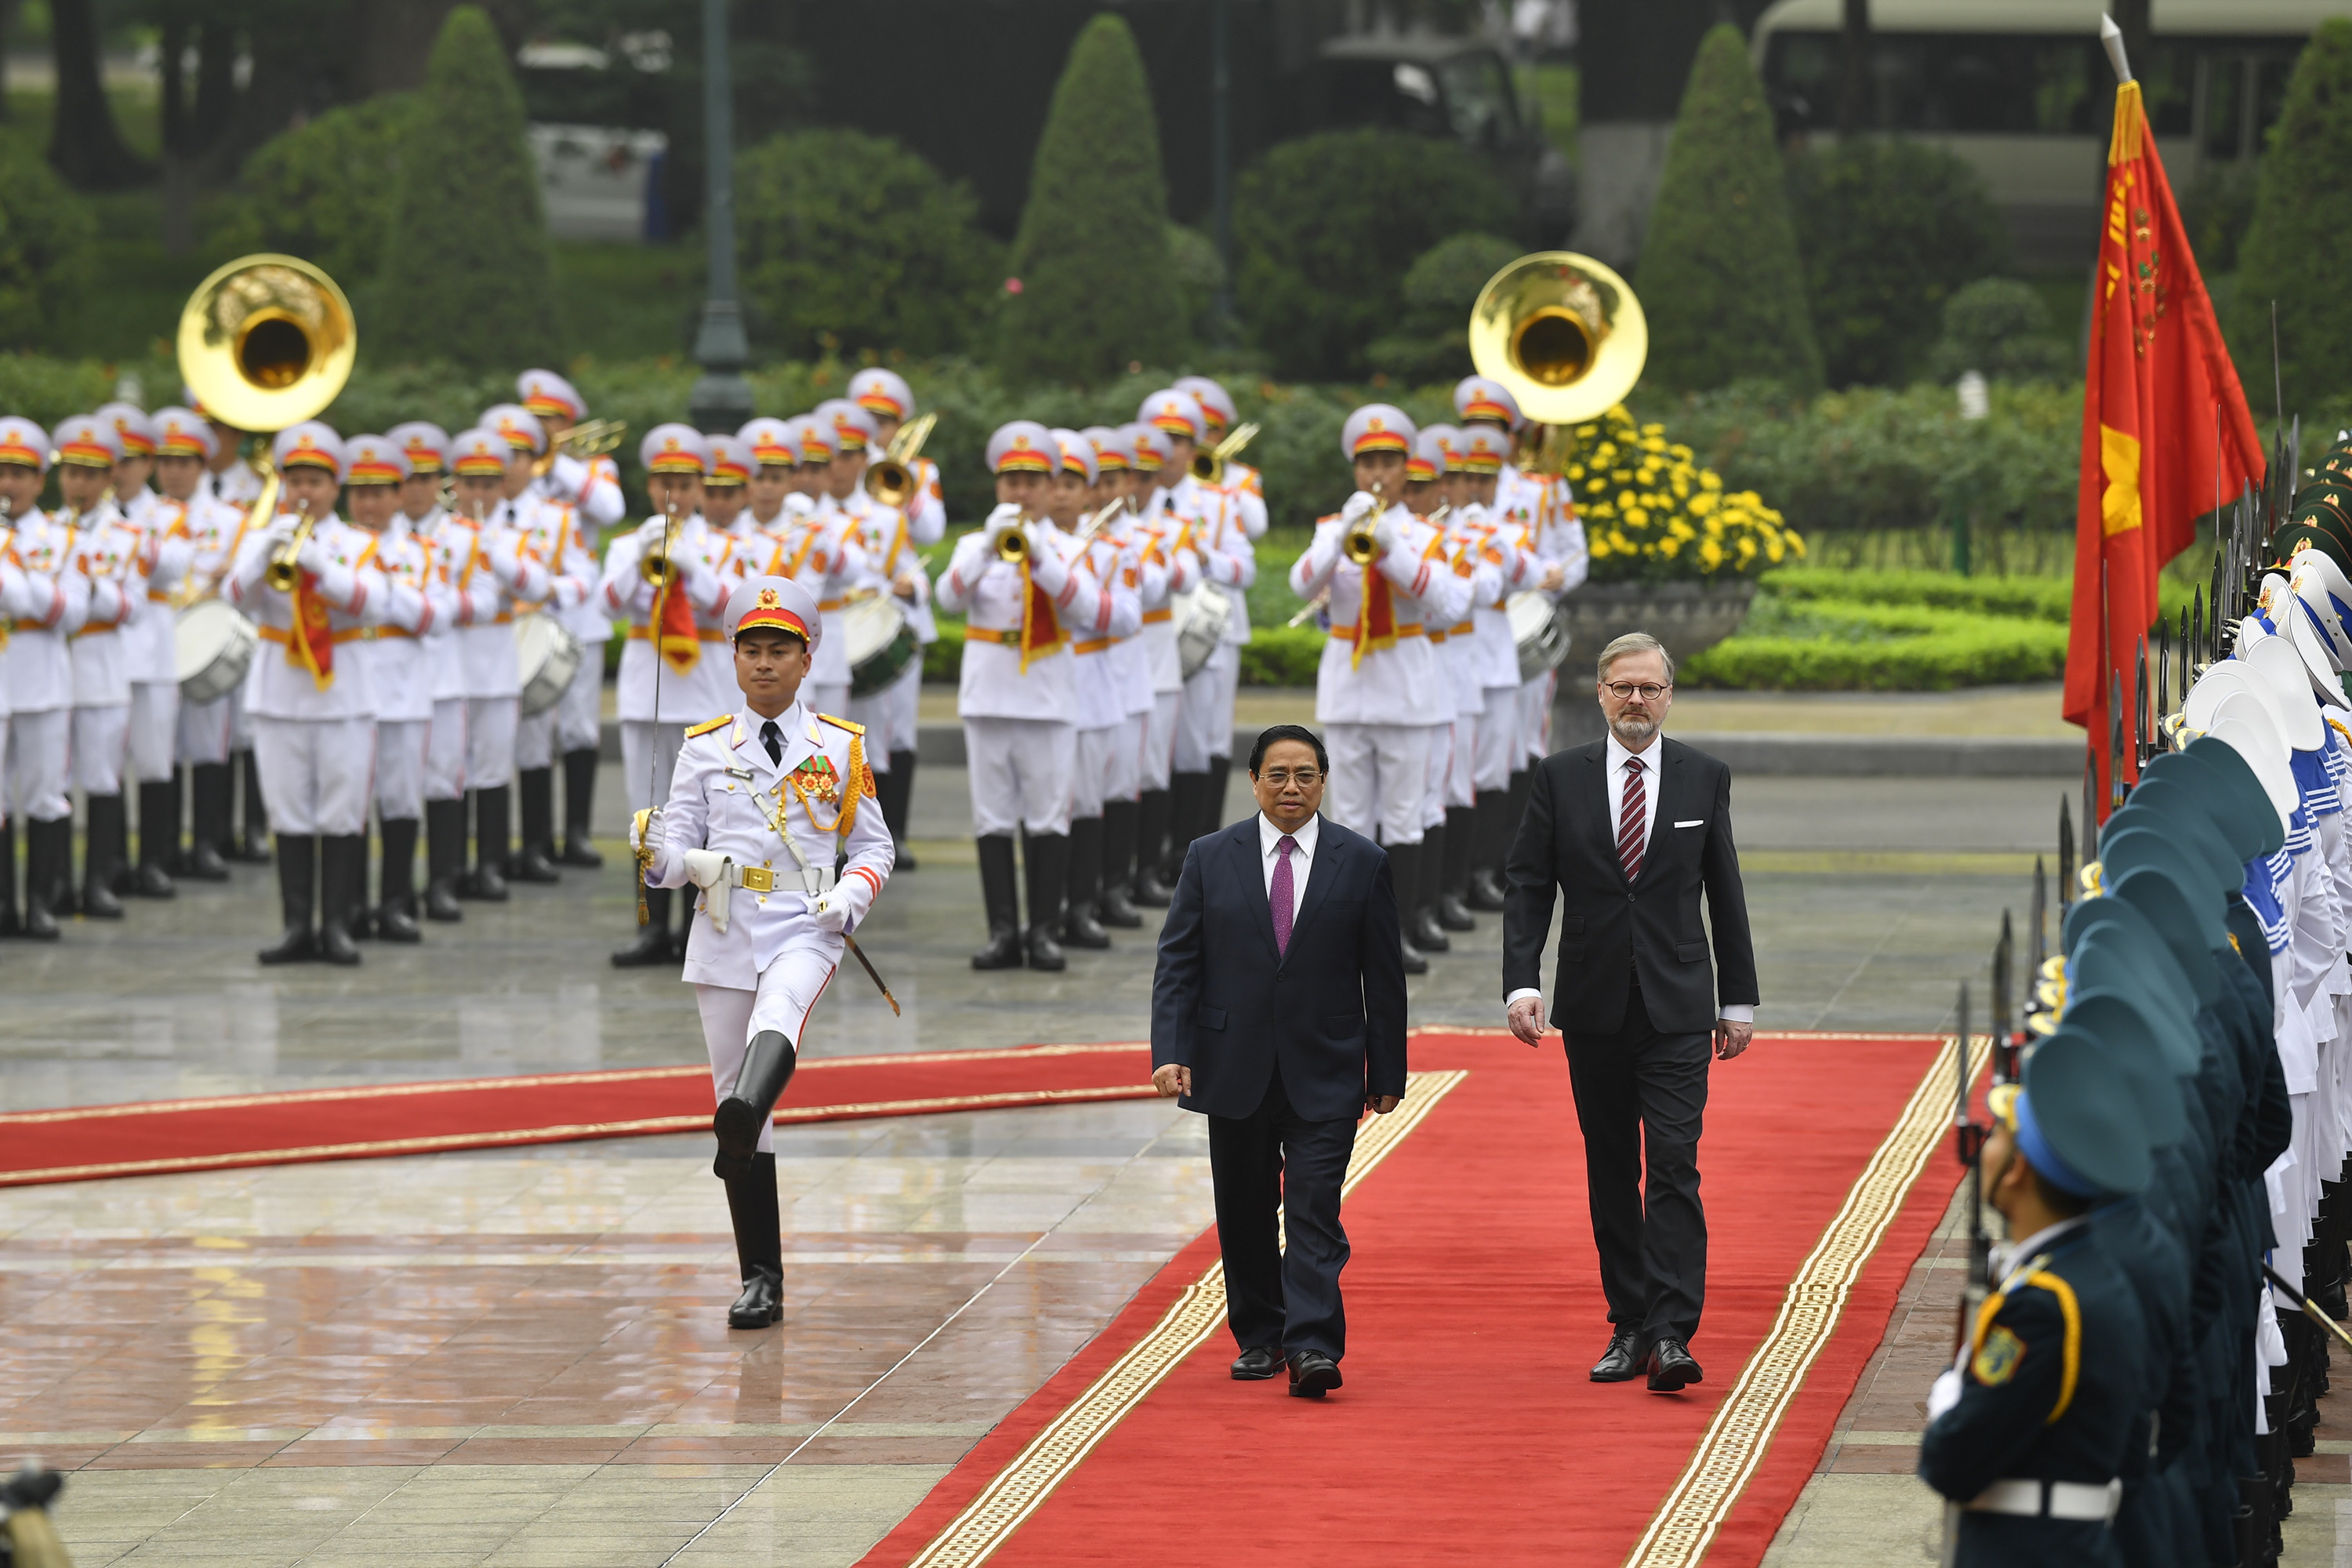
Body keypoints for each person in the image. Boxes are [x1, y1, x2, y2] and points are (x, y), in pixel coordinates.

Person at [633, 574, 894, 1330]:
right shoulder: (705, 748)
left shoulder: (840, 748)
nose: (765, 664)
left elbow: (876, 848)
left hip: (807, 922)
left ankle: (745, 1113)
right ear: (734, 657)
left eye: (780, 650)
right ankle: (761, 1277)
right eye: (752, 650)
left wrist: (852, 896)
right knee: (734, 1100)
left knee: (775, 1023)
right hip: (723, 923)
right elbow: (680, 847)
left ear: (806, 658)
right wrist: (655, 858)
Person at [1501, 630, 1757, 1392]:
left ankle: (1674, 1331)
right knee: (1611, 1166)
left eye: (1650, 687)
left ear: (1669, 695)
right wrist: (1522, 981)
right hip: (1594, 1003)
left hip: (1679, 1006)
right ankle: (1630, 1321)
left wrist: (1736, 1000)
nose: (1637, 700)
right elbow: (1528, 884)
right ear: (1602, 694)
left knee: (1673, 1163)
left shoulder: (1702, 776)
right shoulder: (1560, 777)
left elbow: (1726, 892)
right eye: (1623, 687)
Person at [1149, 723, 1406, 1398]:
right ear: (1255, 780)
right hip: (1231, 1064)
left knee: (1315, 1209)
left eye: (1305, 776)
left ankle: (1314, 1345)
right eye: (1278, 775)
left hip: (1325, 1066)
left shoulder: (1362, 861)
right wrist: (1171, 1051)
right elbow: (1178, 960)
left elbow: (1383, 980)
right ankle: (1261, 1336)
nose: (1291, 788)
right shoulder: (1210, 856)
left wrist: (1386, 1073)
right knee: (1245, 1209)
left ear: (1323, 782)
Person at [1919, 1025, 2151, 1566]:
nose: (1985, 1143)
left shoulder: (2041, 1308)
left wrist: (1949, 1396)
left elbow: (1952, 1460)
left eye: (1998, 1134)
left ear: (2019, 1169)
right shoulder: (2093, 1271)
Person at [1288, 404, 1472, 977]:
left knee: (1403, 819)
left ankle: (1396, 932)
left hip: (1407, 690)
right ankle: (1348, 936)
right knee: (1348, 819)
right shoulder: (1331, 529)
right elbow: (1301, 584)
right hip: (1347, 688)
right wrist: (1342, 534)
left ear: (1404, 469)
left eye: (1389, 463)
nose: (1378, 473)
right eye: (1368, 462)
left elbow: (1446, 601)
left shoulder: (1421, 534)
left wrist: (1389, 544)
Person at [933, 421, 1102, 973]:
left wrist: (1038, 557)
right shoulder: (972, 545)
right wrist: (989, 546)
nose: (1021, 491)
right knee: (992, 818)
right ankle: (1003, 932)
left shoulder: (1069, 548)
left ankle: (1044, 932)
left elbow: (1087, 609)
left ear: (1052, 484)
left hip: (1048, 697)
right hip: (988, 696)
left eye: (1032, 479)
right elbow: (948, 597)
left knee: (1049, 817)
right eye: (1011, 480)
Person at [223, 422, 387, 966]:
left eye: (315, 481)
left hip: (343, 692)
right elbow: (232, 598)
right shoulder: (261, 535)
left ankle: (337, 925)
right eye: (295, 479)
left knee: (342, 811)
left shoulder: (358, 543)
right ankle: (296, 925)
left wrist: (321, 567)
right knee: (288, 810)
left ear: (335, 488)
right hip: (278, 692)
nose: (304, 492)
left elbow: (373, 604)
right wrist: (262, 552)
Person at [602, 424, 742, 966]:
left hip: (705, 694)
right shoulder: (625, 544)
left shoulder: (727, 547)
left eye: (684, 483)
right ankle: (650, 926)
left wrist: (691, 567)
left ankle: (697, 929)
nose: (674, 494)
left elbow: (735, 608)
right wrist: (638, 561)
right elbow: (605, 606)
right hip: (648, 693)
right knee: (648, 813)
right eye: (664, 482)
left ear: (702, 487)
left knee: (705, 816)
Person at [339, 434, 440, 942]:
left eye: (380, 491)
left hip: (403, 690)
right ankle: (351, 905)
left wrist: (377, 593)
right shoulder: (333, 547)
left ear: (399, 494)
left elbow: (431, 616)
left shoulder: (419, 550)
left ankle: (395, 902)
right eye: (359, 492)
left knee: (400, 801)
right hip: (346, 691)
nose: (369, 503)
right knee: (350, 800)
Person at [0, 417, 89, 938]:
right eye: (2, 471)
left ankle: (41, 903)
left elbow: (74, 612)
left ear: (40, 480)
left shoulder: (62, 537)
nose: (8, 484)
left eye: (20, 472)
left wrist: (19, 588)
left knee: (44, 795)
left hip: (42, 677)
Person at [97, 402, 189, 903]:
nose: (121, 470)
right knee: (105, 761)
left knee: (155, 760)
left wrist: (132, 541)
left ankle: (154, 860)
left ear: (148, 464)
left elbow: (175, 565)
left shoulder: (167, 514)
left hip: (153, 651)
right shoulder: (89, 519)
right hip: (104, 652)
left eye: (130, 459)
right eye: (113, 460)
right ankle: (108, 864)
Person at [53, 414, 144, 918]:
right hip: (52, 667)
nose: (78, 484)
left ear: (110, 478)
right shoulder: (45, 529)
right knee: (55, 783)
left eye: (90, 474)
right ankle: (57, 885)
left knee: (103, 778)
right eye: (70, 473)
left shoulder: (126, 536)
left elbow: (133, 607)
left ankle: (100, 881)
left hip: (102, 667)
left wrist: (84, 582)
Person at [152, 405, 241, 882]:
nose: (173, 471)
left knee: (209, 744)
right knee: (161, 746)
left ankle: (207, 841)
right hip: (159, 642)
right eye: (165, 461)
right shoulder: (147, 516)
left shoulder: (229, 521)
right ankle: (164, 847)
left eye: (184, 462)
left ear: (203, 464)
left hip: (206, 641)